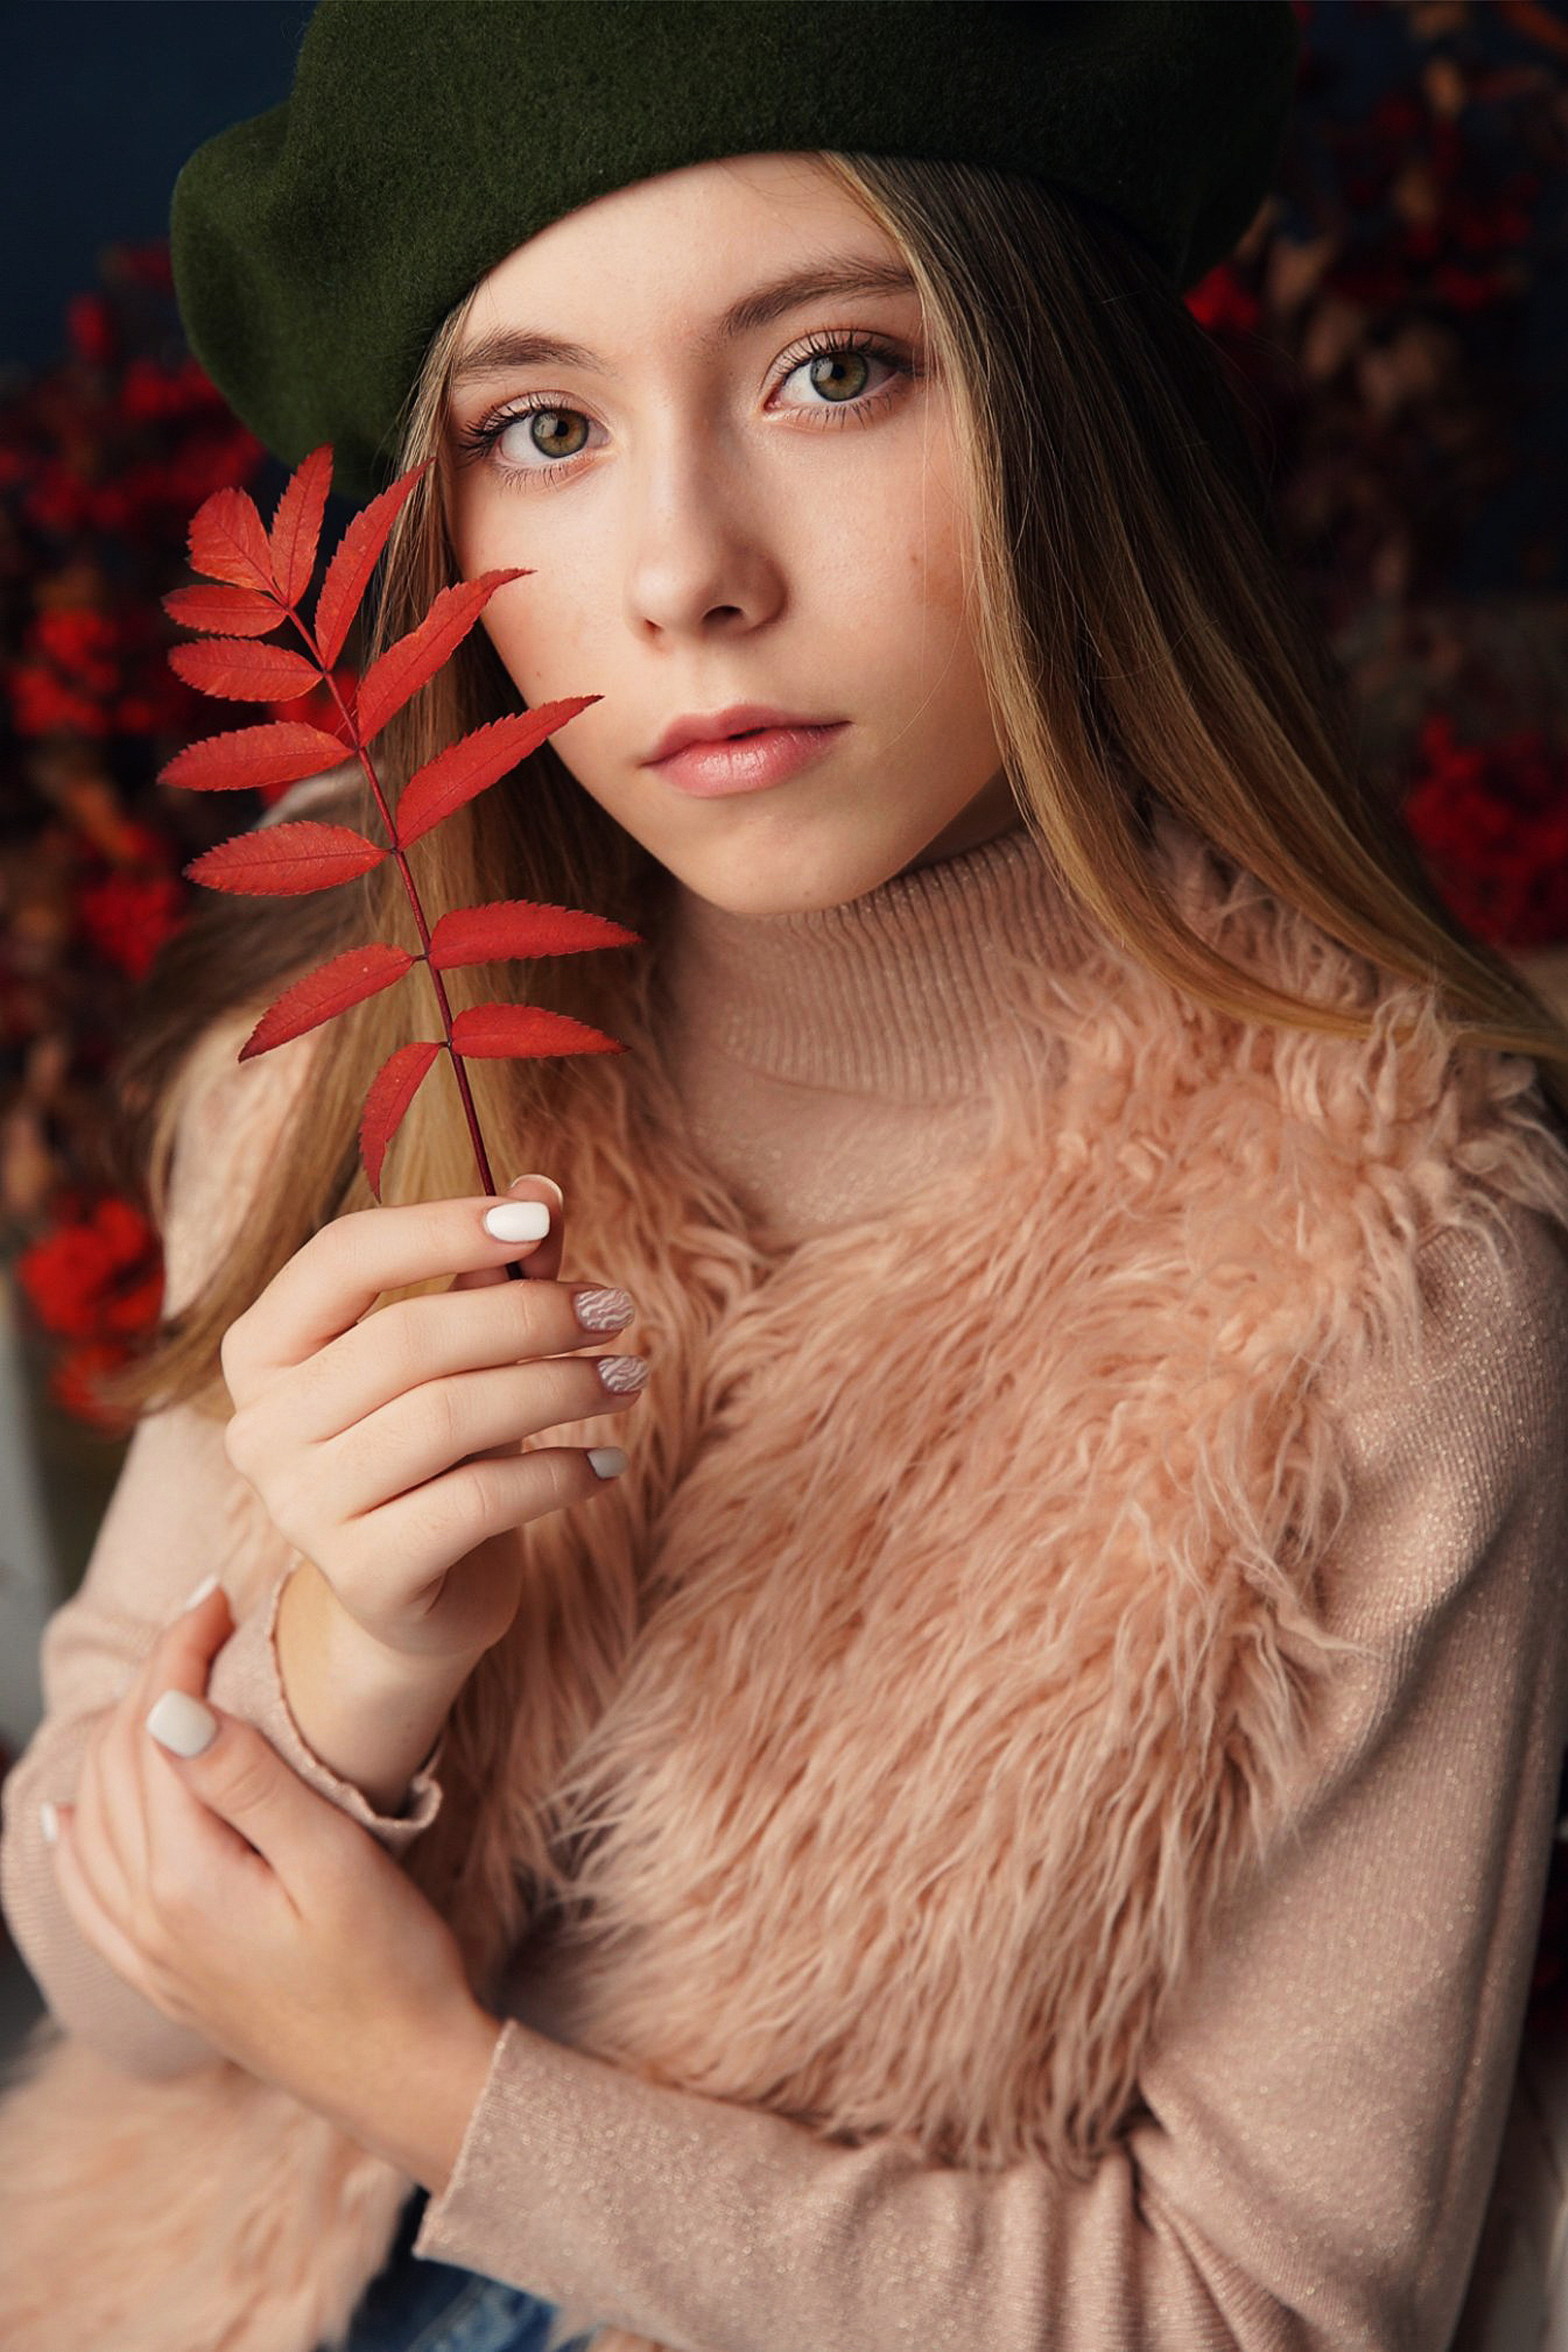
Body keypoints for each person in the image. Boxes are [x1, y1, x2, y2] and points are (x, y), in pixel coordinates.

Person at [3, 4, 1568, 2349]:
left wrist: (440, 2090)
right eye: (543, 430)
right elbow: (107, 1993)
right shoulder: (345, 1091)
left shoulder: (1393, 1284)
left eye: (835, 370)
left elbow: (1276, 2309)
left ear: (1070, 407)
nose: (685, 575)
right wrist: (359, 1673)